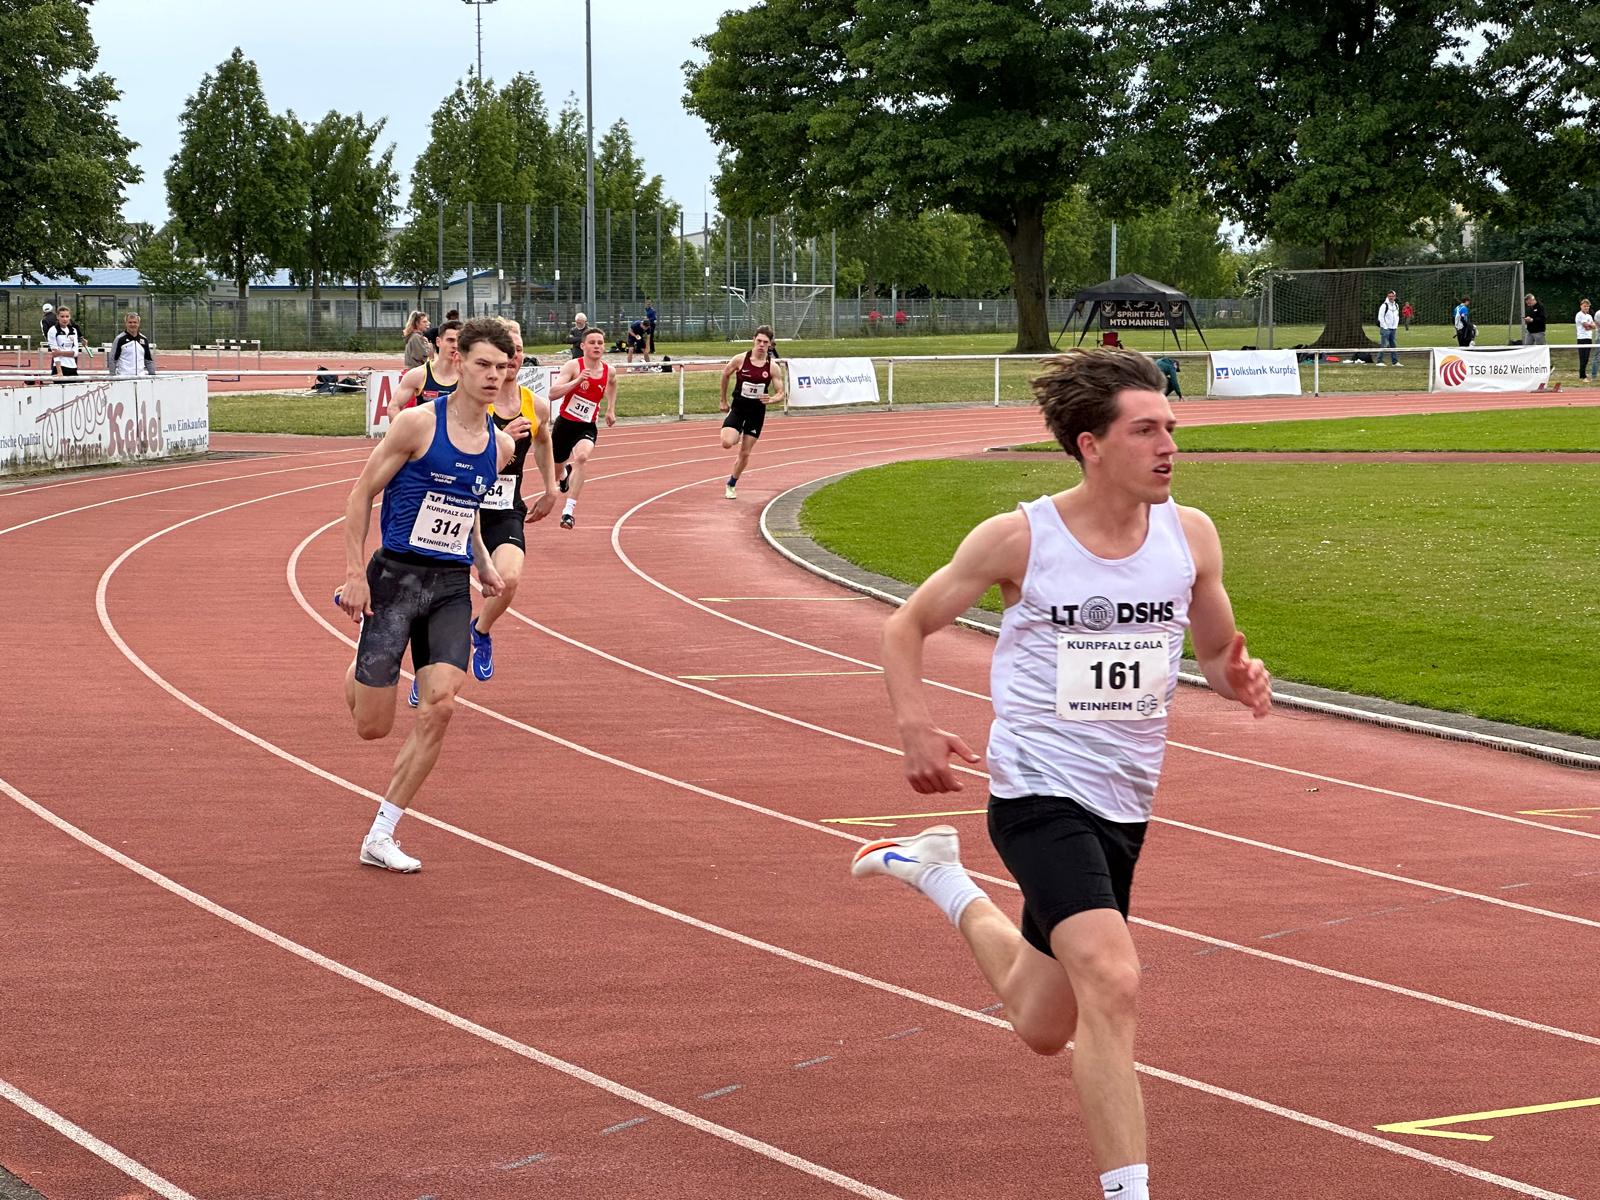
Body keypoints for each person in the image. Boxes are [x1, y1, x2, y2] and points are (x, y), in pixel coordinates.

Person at [852, 348, 1271, 1200]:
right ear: (1091, 444)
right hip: (1038, 793)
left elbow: (1214, 651)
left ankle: (937, 875)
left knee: (1043, 1022)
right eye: (1146, 430)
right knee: (1113, 978)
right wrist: (915, 727)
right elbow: (905, 627)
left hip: (1126, 801)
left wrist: (1239, 677)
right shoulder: (1021, 538)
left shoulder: (1190, 536)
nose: (1169, 447)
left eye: (1171, 428)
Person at [333, 317, 517, 873]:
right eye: (483, 364)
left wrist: (483, 563)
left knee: (441, 705)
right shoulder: (417, 424)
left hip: (448, 587)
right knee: (373, 727)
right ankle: (364, 664)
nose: (493, 375)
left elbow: (466, 510)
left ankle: (381, 832)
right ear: (458, 361)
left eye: (502, 367)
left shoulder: (500, 445)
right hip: (394, 578)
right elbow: (361, 494)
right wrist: (355, 574)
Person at [469, 319, 558, 683]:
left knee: (508, 578)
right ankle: (428, 669)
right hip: (462, 508)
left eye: (518, 350)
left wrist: (551, 488)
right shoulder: (472, 403)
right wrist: (502, 439)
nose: (514, 356)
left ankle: (481, 630)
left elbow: (544, 441)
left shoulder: (535, 405)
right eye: (507, 350)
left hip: (505, 508)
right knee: (440, 597)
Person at [548, 326, 617, 529]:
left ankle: (568, 512)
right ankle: (563, 475)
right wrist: (578, 381)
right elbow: (552, 393)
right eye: (592, 343)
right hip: (564, 425)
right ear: (583, 346)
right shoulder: (573, 366)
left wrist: (610, 409)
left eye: (600, 343)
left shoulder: (609, 371)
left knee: (582, 457)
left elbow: (613, 384)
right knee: (556, 471)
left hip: (586, 426)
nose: (597, 346)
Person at [717, 325, 786, 499]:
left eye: (765, 342)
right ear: (753, 340)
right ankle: (736, 430)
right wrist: (723, 400)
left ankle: (731, 484)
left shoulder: (772, 367)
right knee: (727, 443)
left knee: (745, 452)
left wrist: (771, 399)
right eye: (759, 341)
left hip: (756, 413)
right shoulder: (740, 359)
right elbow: (725, 375)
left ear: (770, 344)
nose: (761, 345)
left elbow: (781, 392)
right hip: (739, 408)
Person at [391, 320, 462, 413]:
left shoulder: (469, 377)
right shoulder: (418, 375)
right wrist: (402, 423)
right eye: (450, 340)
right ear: (438, 342)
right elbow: (393, 407)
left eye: (459, 341)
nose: (455, 345)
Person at [108, 312, 156, 376]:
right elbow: (112, 359)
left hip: (140, 378)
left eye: (135, 322)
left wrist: (153, 375)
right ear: (126, 323)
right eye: (130, 322)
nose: (132, 324)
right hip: (123, 377)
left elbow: (148, 360)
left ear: (138, 323)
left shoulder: (144, 339)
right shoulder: (119, 339)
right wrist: (112, 376)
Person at [46, 306, 86, 378]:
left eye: (67, 316)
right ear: (57, 317)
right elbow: (55, 354)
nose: (65, 319)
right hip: (59, 368)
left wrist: (60, 353)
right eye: (62, 316)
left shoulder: (74, 330)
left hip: (72, 367)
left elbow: (75, 353)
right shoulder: (53, 330)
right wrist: (59, 372)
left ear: (70, 317)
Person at [1376, 290, 1400, 366]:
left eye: (1392, 296)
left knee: (1393, 345)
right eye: (1389, 296)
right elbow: (1380, 317)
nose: (1391, 297)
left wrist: (1395, 326)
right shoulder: (1384, 306)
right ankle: (1379, 361)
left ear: (1395, 297)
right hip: (1385, 328)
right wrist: (1385, 327)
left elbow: (1397, 316)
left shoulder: (1396, 305)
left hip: (1393, 328)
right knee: (1384, 344)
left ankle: (1395, 362)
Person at [1575, 299, 1596, 381]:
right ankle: (1582, 376)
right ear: (1581, 306)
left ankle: (1583, 374)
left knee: (1586, 358)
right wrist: (1590, 326)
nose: (1586, 308)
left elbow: (1594, 326)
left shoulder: (1589, 316)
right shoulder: (1579, 315)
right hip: (1582, 338)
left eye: (1587, 306)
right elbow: (1586, 326)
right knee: (1583, 358)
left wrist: (1590, 326)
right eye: (1585, 306)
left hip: (1588, 338)